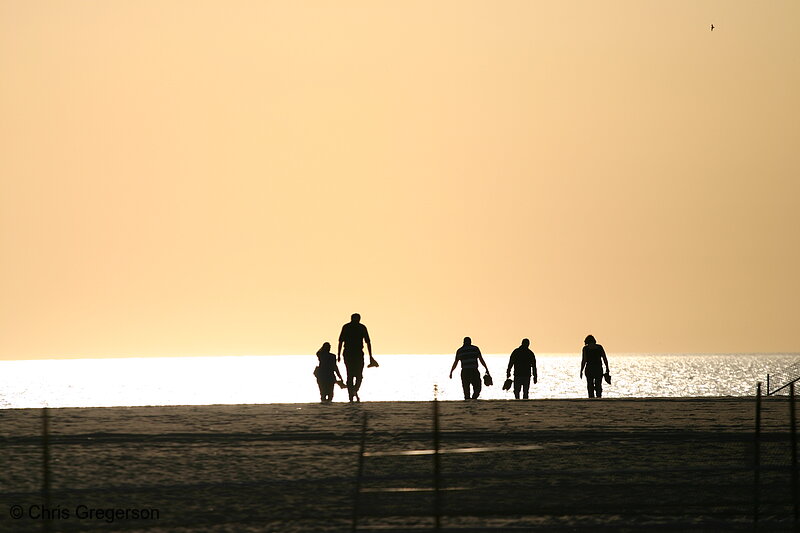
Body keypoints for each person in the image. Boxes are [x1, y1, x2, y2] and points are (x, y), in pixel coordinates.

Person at [337, 313, 379, 402]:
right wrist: (338, 354)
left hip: (357, 353)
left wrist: (371, 356)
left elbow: (368, 342)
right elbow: (340, 341)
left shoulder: (361, 327)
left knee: (358, 376)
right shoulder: (349, 327)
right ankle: (351, 395)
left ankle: (354, 391)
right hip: (349, 353)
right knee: (351, 375)